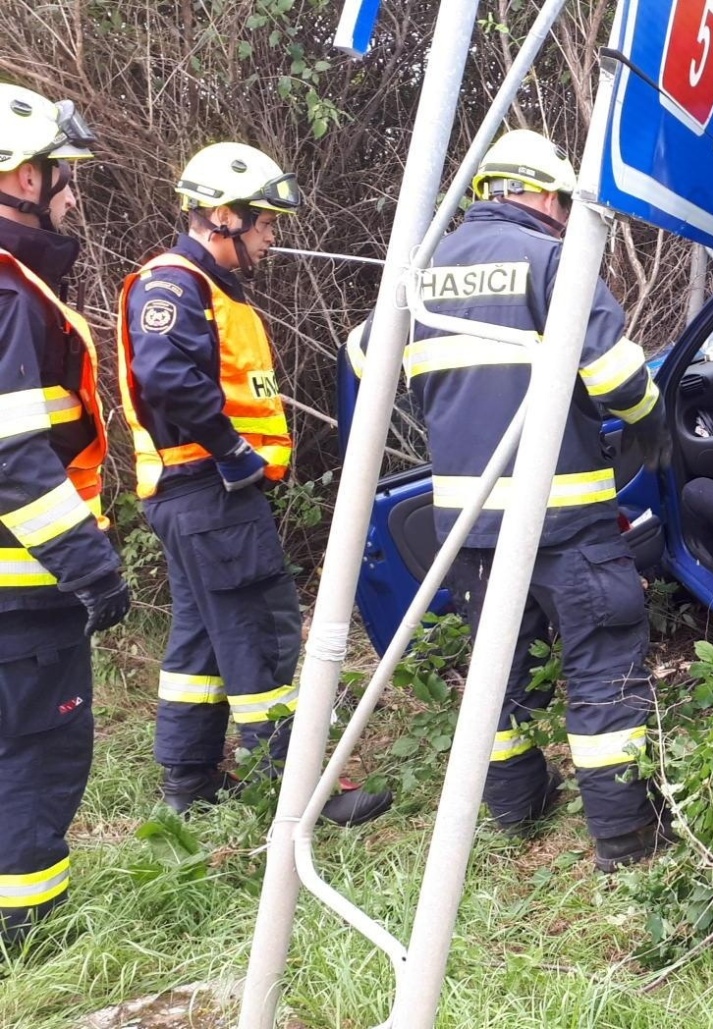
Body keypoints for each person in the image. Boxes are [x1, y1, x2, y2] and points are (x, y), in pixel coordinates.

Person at [370, 128, 670, 870]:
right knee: (604, 671)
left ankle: (515, 807)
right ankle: (625, 839)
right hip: (564, 523)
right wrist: (655, 431)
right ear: (537, 191)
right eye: (562, 200)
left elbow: (389, 378)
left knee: (500, 675)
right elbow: (622, 382)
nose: (566, 214)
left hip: (469, 527)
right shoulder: (553, 259)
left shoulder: (422, 271)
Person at [115, 142, 389, 826]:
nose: (271, 236)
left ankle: (191, 780)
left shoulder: (210, 291)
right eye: (263, 221)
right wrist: (233, 451)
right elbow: (168, 378)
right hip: (212, 493)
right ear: (220, 216)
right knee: (262, 632)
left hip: (198, 496)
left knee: (200, 641)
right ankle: (297, 791)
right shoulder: (176, 284)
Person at [0, 85, 130, 942]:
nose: (70, 195)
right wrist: (90, 567)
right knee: (34, 760)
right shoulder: (11, 298)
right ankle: (30, 932)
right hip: (23, 593)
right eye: (58, 175)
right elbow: (13, 459)